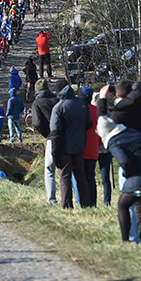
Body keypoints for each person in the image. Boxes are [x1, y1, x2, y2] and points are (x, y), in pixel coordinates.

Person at [97, 84, 141, 249]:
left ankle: (133, 238)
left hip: (133, 165)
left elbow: (104, 121)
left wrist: (102, 99)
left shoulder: (122, 115)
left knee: (128, 204)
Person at [49, 78, 92, 209]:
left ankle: (67, 205)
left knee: (65, 177)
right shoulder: (81, 103)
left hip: (63, 148)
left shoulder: (58, 107)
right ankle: (86, 204)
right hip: (79, 145)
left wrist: (54, 152)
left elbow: (55, 132)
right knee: (81, 176)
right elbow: (89, 124)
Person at [32, 78, 58, 204]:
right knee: (66, 170)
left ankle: (52, 200)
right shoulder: (57, 99)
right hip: (63, 136)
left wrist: (45, 133)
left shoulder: (37, 103)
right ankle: (70, 199)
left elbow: (36, 123)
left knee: (49, 170)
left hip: (51, 138)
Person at [80, 86, 100, 207]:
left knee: (81, 177)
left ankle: (84, 203)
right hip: (93, 148)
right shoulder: (96, 111)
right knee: (91, 177)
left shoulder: (78, 109)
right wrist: (98, 144)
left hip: (80, 148)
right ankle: (93, 203)